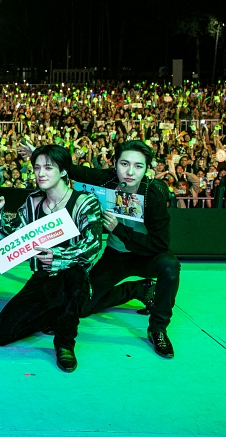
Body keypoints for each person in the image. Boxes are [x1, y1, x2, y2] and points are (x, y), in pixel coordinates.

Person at [0, 145, 102, 371]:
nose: (41, 173)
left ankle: (65, 342)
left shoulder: (84, 202)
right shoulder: (33, 201)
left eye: (48, 167)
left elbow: (93, 246)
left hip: (72, 278)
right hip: (43, 277)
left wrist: (58, 256)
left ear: (64, 171)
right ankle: (52, 314)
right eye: (37, 167)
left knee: (76, 276)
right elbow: (11, 240)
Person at [57, 140, 179, 358]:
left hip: (147, 257)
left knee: (170, 266)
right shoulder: (107, 180)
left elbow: (161, 244)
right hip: (115, 256)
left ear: (146, 168)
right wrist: (44, 157)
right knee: (83, 307)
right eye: (124, 164)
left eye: (138, 166)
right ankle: (137, 290)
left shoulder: (154, 193)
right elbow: (75, 171)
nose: (130, 172)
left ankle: (158, 328)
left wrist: (119, 229)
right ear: (115, 163)